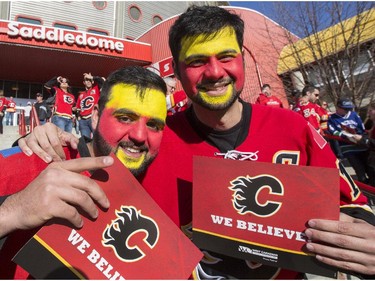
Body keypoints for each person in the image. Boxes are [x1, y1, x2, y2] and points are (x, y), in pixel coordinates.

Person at [16, 6, 375, 279]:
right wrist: (41, 137)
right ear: (177, 68)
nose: (215, 72)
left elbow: (354, 208)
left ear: (242, 60)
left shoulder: (294, 128)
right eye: (198, 61)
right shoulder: (151, 140)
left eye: (226, 57)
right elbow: (90, 160)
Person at [0, 66, 168, 279]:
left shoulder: (160, 182)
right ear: (95, 117)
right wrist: (13, 211)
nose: (140, 135)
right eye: (125, 118)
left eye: (153, 125)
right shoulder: (35, 160)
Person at [327, 97, 370, 184]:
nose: (347, 111)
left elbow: (361, 128)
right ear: (338, 107)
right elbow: (332, 131)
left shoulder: (354, 115)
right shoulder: (332, 118)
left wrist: (358, 135)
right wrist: (345, 135)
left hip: (360, 146)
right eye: (345, 109)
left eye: (349, 109)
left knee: (370, 169)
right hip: (347, 147)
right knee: (359, 171)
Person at [76, 72, 106, 138]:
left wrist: (92, 77)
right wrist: (78, 117)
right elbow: (78, 108)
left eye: (90, 80)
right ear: (84, 82)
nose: (88, 81)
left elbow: (102, 81)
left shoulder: (96, 89)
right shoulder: (81, 95)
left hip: (93, 118)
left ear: (92, 82)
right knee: (85, 141)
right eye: (87, 80)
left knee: (97, 139)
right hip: (83, 121)